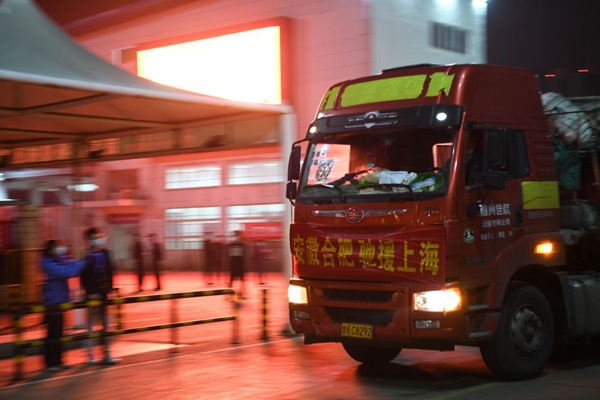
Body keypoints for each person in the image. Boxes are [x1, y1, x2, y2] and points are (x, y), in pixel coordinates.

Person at [41, 239, 86, 371]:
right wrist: (82, 260)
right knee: (53, 333)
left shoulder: (59, 259)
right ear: (51, 250)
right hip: (52, 302)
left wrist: (80, 260)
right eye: (58, 247)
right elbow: (68, 272)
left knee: (59, 333)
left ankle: (58, 361)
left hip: (60, 301)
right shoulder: (47, 263)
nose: (62, 248)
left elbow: (71, 265)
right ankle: (50, 363)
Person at [81, 227, 120, 365]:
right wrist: (89, 292)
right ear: (88, 240)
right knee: (91, 325)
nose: (98, 240)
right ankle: (90, 355)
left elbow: (110, 271)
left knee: (106, 325)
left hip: (104, 294)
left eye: (99, 237)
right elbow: (84, 277)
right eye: (94, 238)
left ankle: (107, 353)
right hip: (92, 294)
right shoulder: (87, 255)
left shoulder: (106, 253)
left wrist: (110, 289)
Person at [227, 230, 247, 298]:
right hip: (234, 264)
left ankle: (242, 293)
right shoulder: (233, 245)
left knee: (241, 280)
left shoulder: (241, 245)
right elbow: (229, 255)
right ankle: (230, 294)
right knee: (232, 280)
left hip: (239, 264)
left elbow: (244, 255)